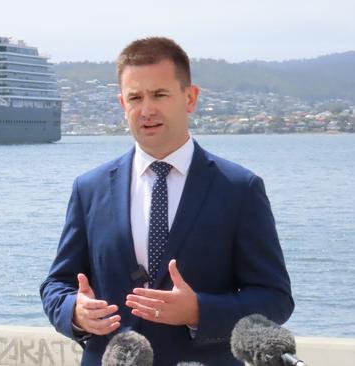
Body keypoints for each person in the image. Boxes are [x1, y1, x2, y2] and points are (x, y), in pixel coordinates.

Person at [40, 37, 294, 366]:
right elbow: (56, 284)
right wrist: (74, 311)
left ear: (190, 98)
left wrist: (198, 311)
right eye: (135, 97)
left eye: (159, 95)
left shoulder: (240, 189)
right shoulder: (89, 188)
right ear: (122, 104)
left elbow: (275, 299)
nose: (147, 110)